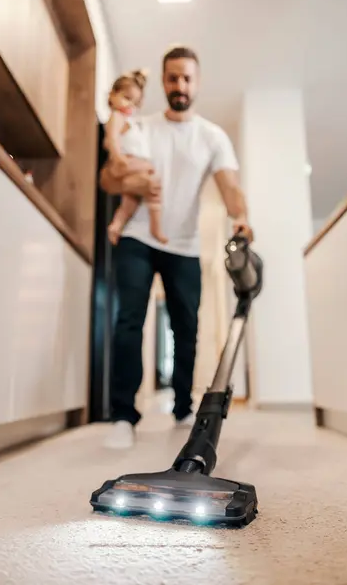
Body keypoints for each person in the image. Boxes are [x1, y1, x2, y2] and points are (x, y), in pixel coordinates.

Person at [100, 45, 253, 449]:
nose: (179, 84)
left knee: (186, 327)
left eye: (187, 77)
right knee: (128, 320)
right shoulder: (141, 127)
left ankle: (183, 407)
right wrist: (130, 182)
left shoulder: (212, 136)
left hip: (183, 244)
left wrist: (240, 217)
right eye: (172, 77)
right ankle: (122, 415)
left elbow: (230, 186)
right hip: (137, 235)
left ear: (197, 82)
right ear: (164, 81)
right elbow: (107, 180)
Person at [104, 69, 167, 245]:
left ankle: (117, 224)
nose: (129, 105)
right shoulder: (116, 117)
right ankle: (156, 227)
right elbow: (113, 138)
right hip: (127, 161)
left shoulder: (132, 122)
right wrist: (117, 157)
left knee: (132, 199)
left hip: (132, 163)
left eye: (135, 103)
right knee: (153, 183)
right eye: (126, 97)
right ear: (112, 95)